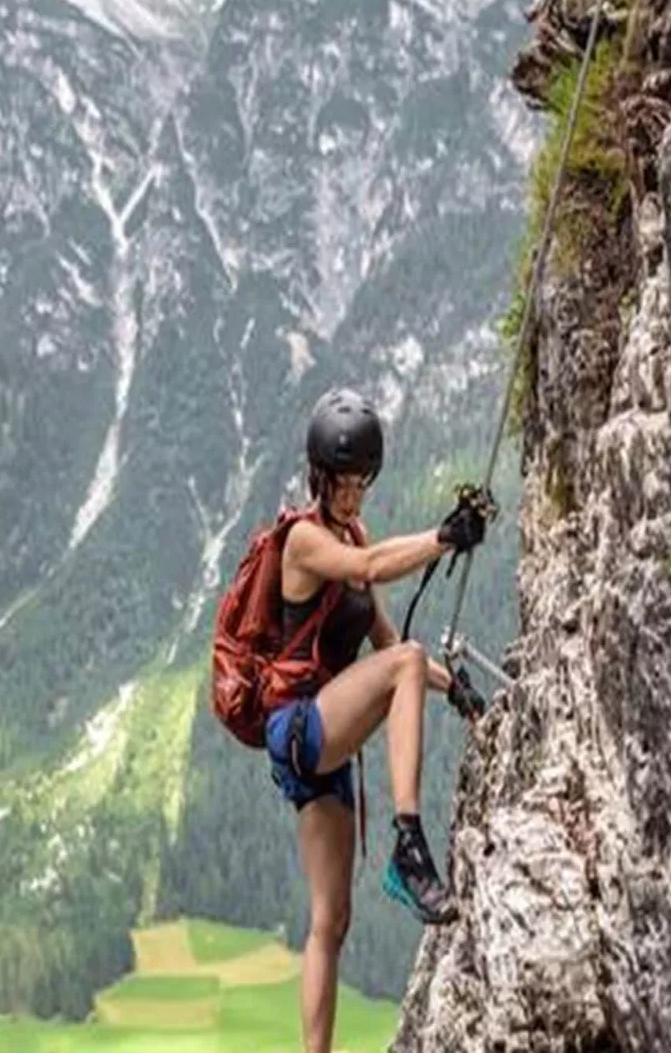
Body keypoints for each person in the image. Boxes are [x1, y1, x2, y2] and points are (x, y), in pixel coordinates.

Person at [266, 386, 487, 1053]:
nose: (353, 496)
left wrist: (454, 691)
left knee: (329, 922)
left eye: (362, 482)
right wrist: (443, 538)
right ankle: (408, 842)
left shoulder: (353, 532)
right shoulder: (304, 541)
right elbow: (365, 569)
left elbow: (390, 651)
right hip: (302, 727)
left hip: (324, 738)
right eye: (342, 482)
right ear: (319, 478)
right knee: (411, 662)